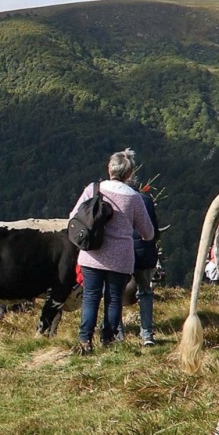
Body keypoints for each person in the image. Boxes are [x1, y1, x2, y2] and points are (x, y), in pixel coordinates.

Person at [69, 149, 155, 354]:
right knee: (114, 298)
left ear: (109, 169)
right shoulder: (134, 197)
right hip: (120, 258)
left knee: (90, 297)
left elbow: (73, 215)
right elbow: (148, 232)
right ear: (129, 174)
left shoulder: (93, 189)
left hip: (92, 255)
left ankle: (85, 341)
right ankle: (108, 339)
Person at [130, 176, 161, 347]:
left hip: (120, 255)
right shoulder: (146, 200)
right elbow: (154, 230)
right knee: (145, 292)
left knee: (115, 294)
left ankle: (117, 334)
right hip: (143, 253)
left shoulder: (113, 199)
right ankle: (147, 333)